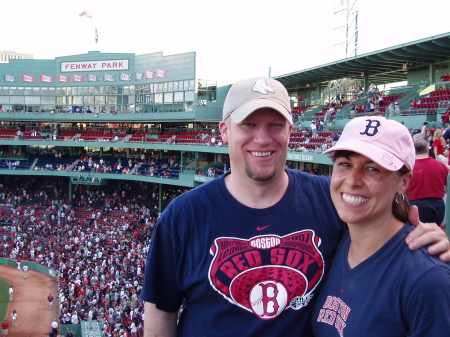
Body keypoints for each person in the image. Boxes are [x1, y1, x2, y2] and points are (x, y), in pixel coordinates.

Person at [140, 77, 450, 337]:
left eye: (275, 124)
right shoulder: (182, 215)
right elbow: (160, 311)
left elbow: (383, 236)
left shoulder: (329, 201)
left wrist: (427, 242)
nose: (263, 138)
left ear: (290, 130)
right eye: (248, 124)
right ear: (224, 130)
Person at [312, 116, 450, 336]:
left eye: (372, 169)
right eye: (345, 164)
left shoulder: (428, 279)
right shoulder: (337, 240)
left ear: (403, 182)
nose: (353, 180)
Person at [408, 138, 448, 225]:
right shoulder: (441, 165)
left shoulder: (409, 167)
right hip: (438, 206)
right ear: (428, 149)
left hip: (415, 205)